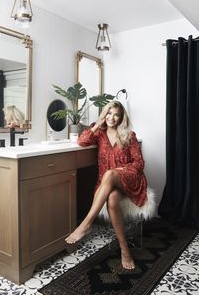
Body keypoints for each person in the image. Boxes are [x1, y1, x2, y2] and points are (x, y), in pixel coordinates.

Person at [65, 100, 147, 270]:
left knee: (110, 174)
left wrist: (120, 171)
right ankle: (125, 250)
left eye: (116, 114)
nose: (112, 117)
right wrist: (97, 125)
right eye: (109, 113)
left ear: (121, 117)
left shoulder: (129, 135)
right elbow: (82, 140)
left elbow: (139, 164)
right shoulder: (99, 133)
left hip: (130, 181)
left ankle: (86, 223)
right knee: (112, 200)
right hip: (107, 185)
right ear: (104, 115)